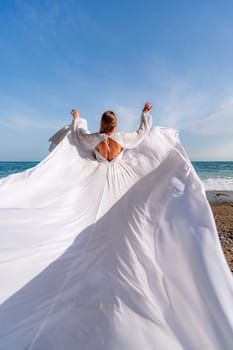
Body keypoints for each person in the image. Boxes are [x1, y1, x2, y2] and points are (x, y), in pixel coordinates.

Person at [0, 102, 233, 350]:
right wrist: (145, 114)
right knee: (126, 225)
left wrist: (78, 118)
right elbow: (143, 134)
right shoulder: (122, 138)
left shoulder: (93, 140)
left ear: (102, 124)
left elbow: (77, 136)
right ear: (115, 125)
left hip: (95, 186)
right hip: (121, 185)